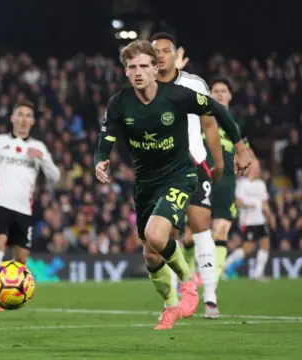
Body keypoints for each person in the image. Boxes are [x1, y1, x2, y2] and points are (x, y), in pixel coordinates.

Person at [94, 40, 251, 330]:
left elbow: (218, 111)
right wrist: (100, 160)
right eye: (132, 67)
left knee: (156, 234)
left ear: (156, 68)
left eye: (144, 66)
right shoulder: (119, 103)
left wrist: (240, 148)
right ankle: (169, 305)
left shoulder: (179, 96)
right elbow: (106, 139)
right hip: (145, 183)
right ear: (125, 72)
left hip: (180, 175)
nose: (138, 72)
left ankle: (188, 282)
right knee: (150, 253)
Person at [152, 32, 223, 316]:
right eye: (155, 51)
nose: (160, 55)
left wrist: (218, 163)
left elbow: (209, 124)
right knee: (167, 233)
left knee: (201, 223)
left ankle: (210, 298)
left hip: (195, 162)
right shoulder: (145, 87)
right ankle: (175, 299)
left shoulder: (195, 84)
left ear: (174, 53)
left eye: (165, 50)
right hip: (161, 168)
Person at [0, 99, 60, 312]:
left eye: (27, 116)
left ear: (32, 121)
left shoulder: (38, 147)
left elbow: (55, 177)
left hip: (24, 208)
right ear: (12, 118)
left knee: (20, 258)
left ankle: (14, 295)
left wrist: (43, 160)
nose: (23, 119)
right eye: (19, 114)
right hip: (1, 202)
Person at [207, 77, 249, 288]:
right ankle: (187, 280)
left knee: (221, 230)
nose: (220, 94)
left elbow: (245, 153)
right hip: (201, 178)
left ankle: (211, 284)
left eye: (224, 91)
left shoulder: (237, 125)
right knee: (191, 234)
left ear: (230, 95)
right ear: (210, 95)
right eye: (216, 91)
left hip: (226, 182)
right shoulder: (202, 118)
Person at [224, 160, 274, 281]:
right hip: (248, 221)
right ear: (250, 168)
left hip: (260, 220)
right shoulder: (242, 183)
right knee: (248, 249)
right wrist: (247, 206)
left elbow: (264, 203)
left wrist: (270, 217)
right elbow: (238, 201)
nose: (258, 169)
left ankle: (258, 274)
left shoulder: (261, 184)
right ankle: (224, 266)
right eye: (256, 167)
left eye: (258, 167)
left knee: (265, 245)